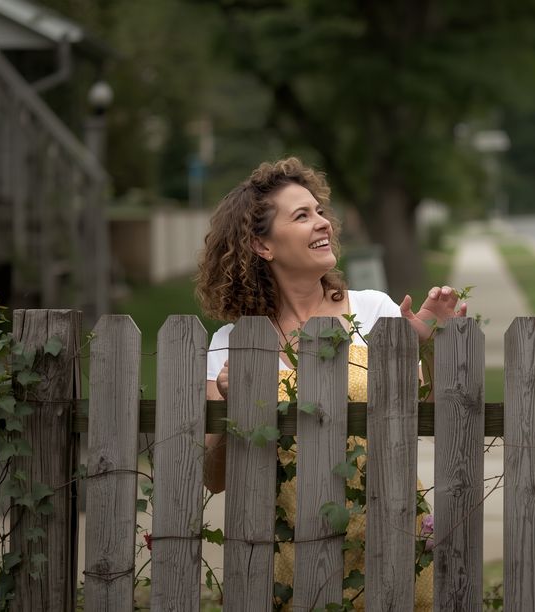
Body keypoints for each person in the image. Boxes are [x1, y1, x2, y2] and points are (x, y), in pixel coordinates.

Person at [195, 156, 465, 610]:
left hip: (393, 551)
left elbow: (428, 417)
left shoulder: (373, 311)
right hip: (288, 568)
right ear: (262, 246)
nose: (323, 222)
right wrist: (229, 408)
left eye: (319, 211)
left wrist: (427, 347)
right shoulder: (232, 344)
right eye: (302, 215)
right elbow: (214, 478)